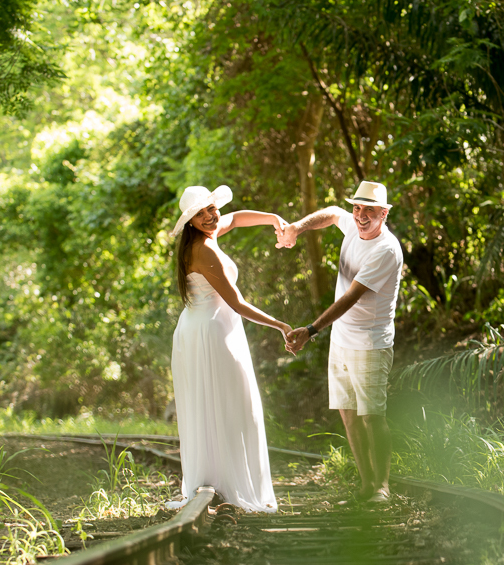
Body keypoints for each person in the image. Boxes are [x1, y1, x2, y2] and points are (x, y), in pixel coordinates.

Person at [278, 181, 403, 502]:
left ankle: (382, 487)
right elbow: (333, 213)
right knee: (348, 413)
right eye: (357, 208)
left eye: (370, 211)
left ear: (384, 214)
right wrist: (296, 227)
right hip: (342, 340)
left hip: (371, 342)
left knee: (372, 415)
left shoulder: (386, 250)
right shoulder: (352, 224)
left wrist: (310, 330)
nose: (360, 216)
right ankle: (366, 486)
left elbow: (352, 298)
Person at [167, 184, 290, 513]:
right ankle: (224, 486)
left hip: (209, 328)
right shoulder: (202, 250)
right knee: (231, 403)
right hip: (209, 332)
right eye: (200, 214)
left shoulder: (207, 234)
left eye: (211, 209)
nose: (210, 217)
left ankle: (223, 482)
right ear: (190, 221)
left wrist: (272, 218)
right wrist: (281, 326)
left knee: (228, 403)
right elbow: (236, 303)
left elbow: (234, 219)